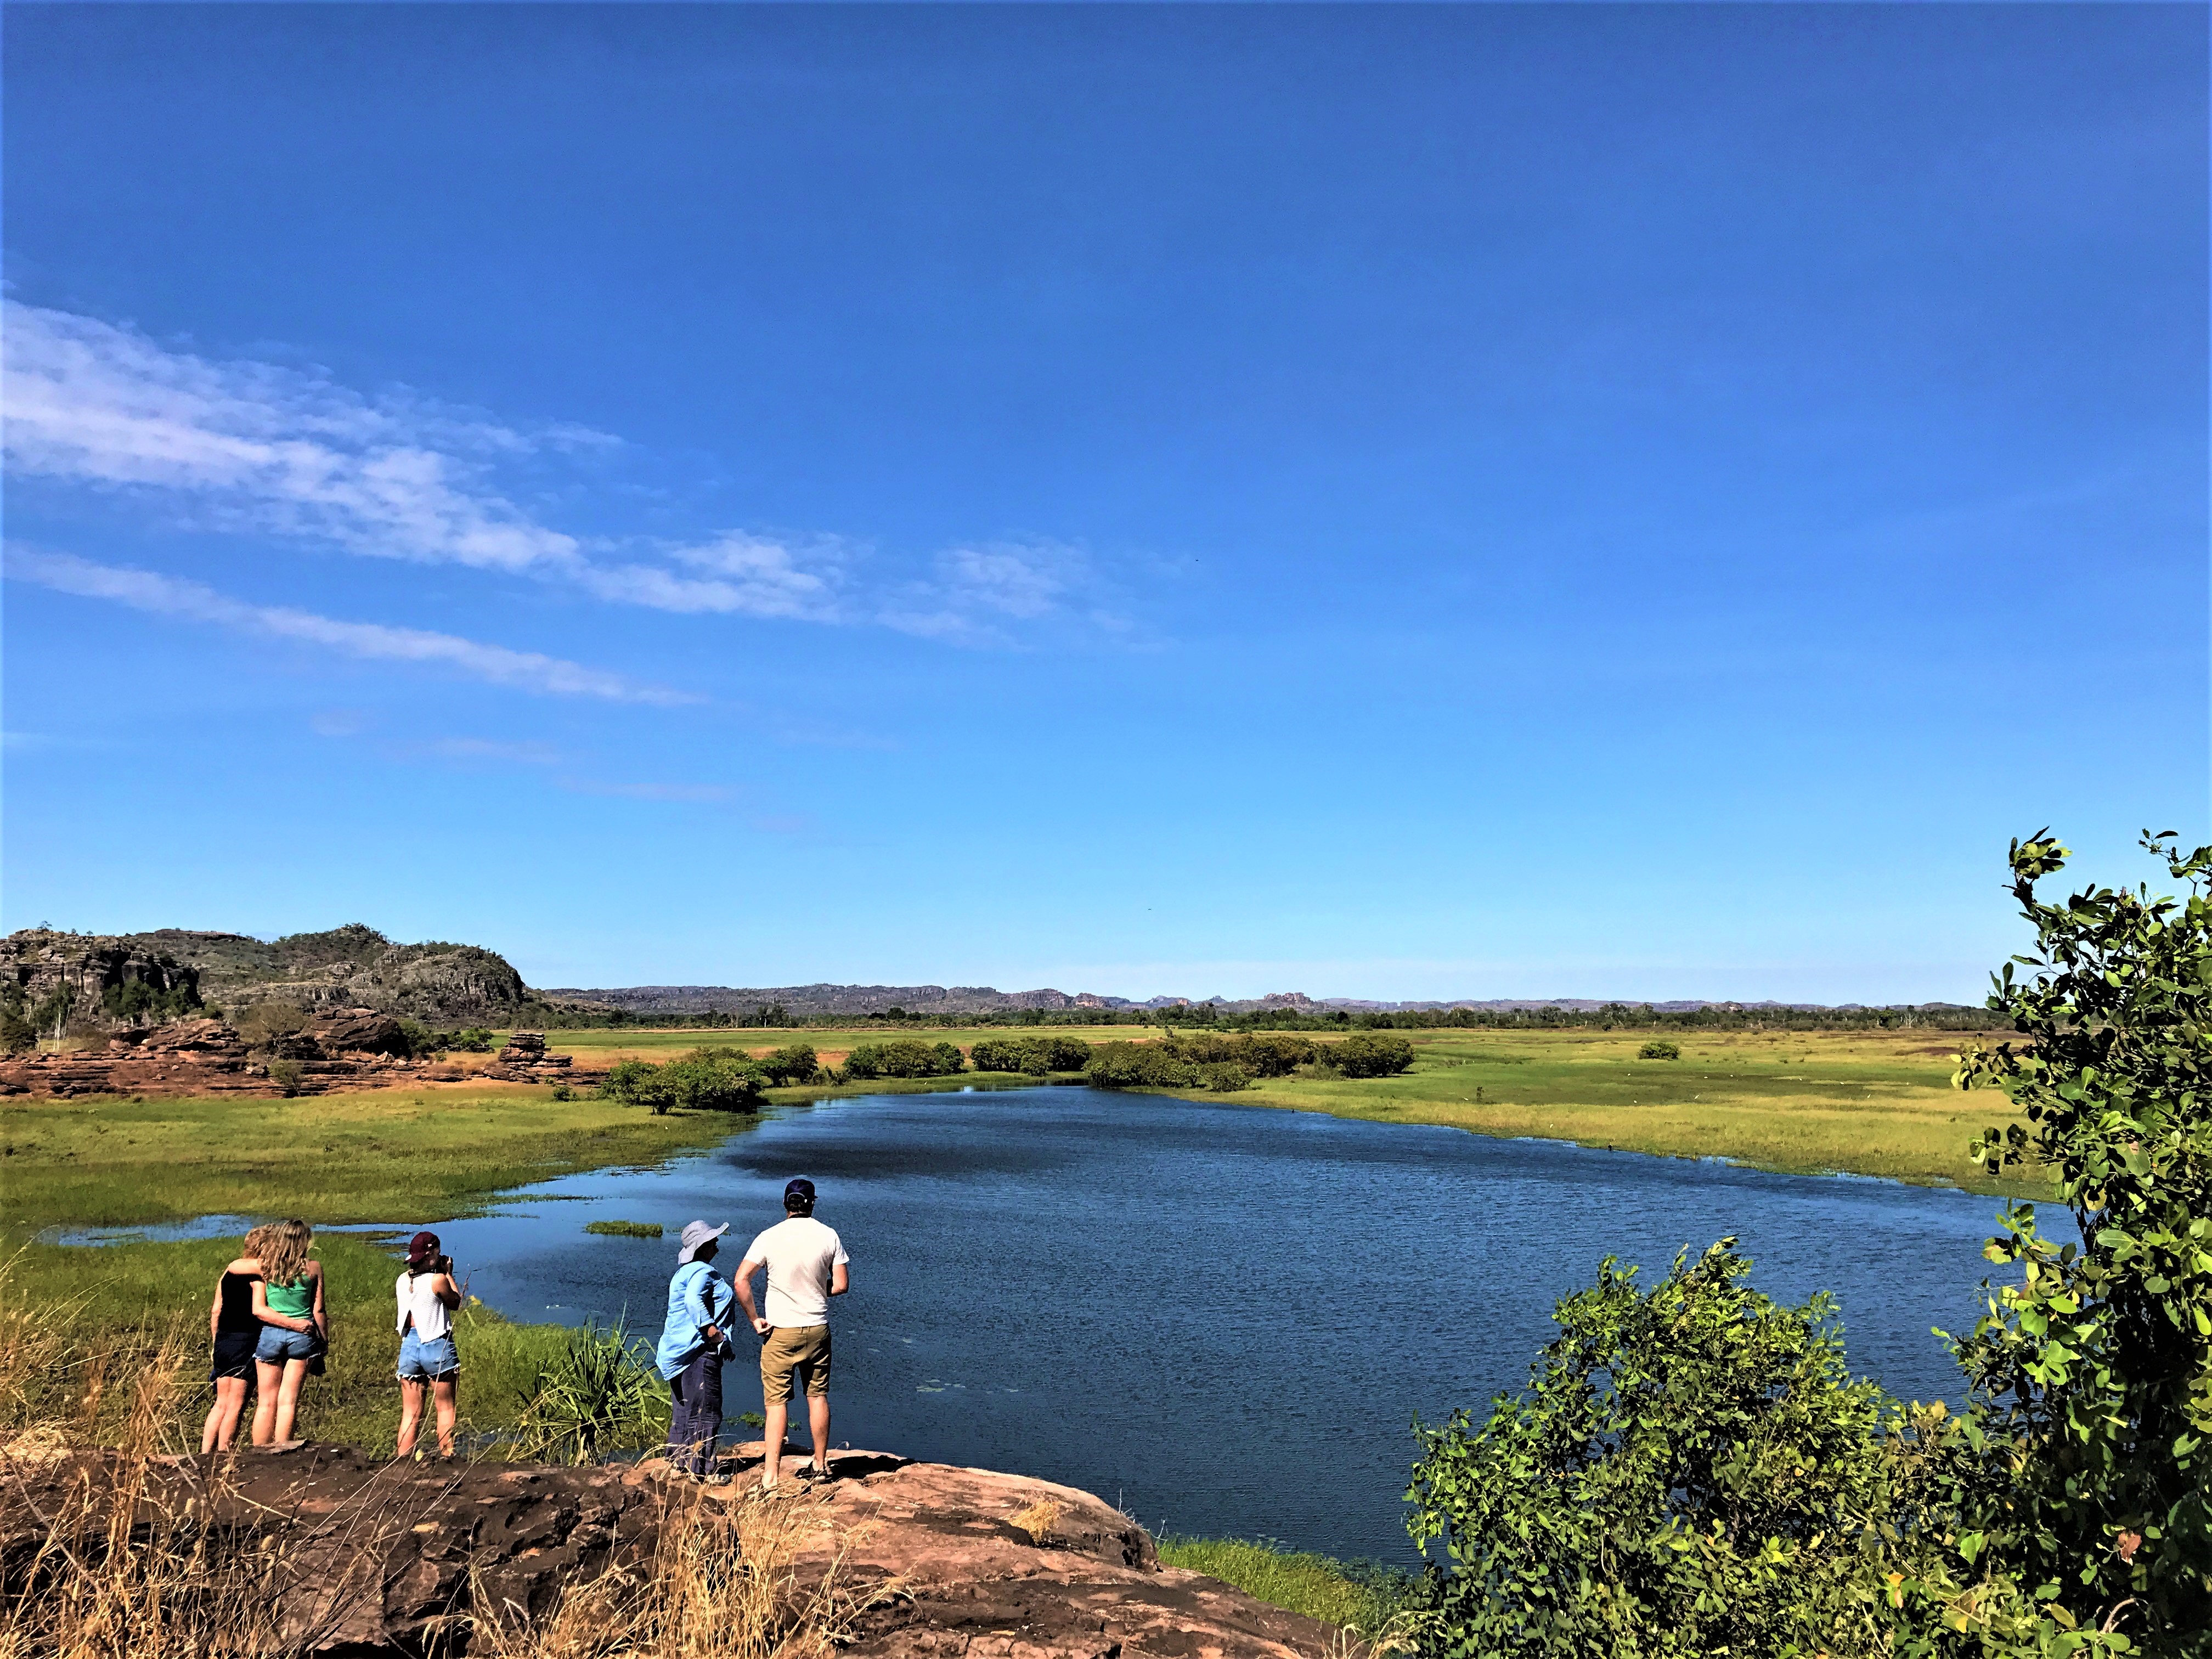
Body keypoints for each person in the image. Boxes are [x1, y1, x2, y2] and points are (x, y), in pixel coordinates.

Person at [732, 1178, 849, 1492]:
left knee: (776, 1403)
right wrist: (815, 1289)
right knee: (817, 1396)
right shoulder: (829, 1235)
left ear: (786, 1204)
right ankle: (821, 1465)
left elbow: (741, 1280)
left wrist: (755, 1319)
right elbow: (840, 1285)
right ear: (812, 1203)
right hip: (817, 1328)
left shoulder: (769, 1236)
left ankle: (770, 1477)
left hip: (779, 1331)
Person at [656, 1219, 737, 1481]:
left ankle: (679, 1463)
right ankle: (701, 1470)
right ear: (701, 1247)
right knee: (707, 1409)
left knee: (684, 1408)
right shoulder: (703, 1272)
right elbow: (694, 1300)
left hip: (677, 1352)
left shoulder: (683, 1272)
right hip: (698, 1352)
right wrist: (713, 1332)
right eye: (713, 1242)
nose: (717, 1246)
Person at [250, 1217, 326, 1446]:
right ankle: (283, 1450)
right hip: (303, 1335)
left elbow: (259, 1308)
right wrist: (324, 1342)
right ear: (306, 1242)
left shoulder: (264, 1267)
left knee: (265, 1401)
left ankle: (259, 1451)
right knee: (288, 1400)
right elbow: (319, 1308)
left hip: (270, 1334)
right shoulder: (313, 1268)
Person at [394, 1230, 462, 1458]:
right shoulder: (438, 1280)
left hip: (409, 1346)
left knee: (410, 1414)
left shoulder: (403, 1280)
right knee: (445, 1408)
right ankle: (448, 1457)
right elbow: (455, 1302)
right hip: (436, 1345)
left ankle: (402, 1461)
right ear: (432, 1255)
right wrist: (448, 1273)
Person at [202, 1224, 269, 1453]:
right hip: (246, 1338)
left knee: (221, 1402)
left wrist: (215, 1342)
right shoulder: (258, 1277)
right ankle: (224, 1454)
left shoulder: (228, 1273)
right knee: (236, 1404)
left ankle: (205, 1453)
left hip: (224, 1338)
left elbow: (216, 1310)